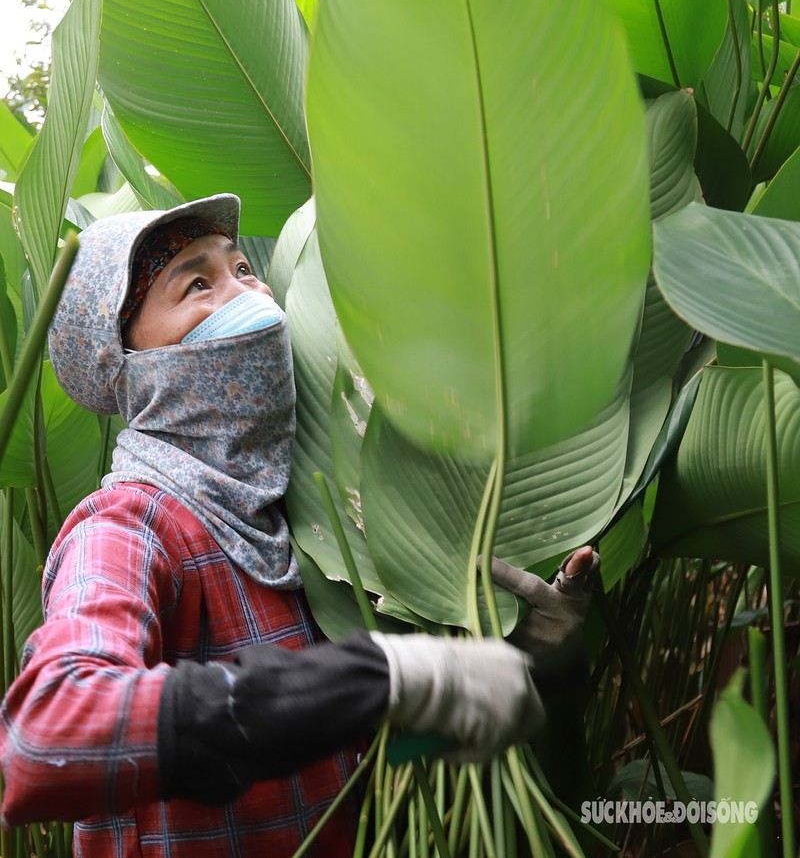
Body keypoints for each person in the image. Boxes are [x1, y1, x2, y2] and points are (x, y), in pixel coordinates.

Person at [0, 194, 597, 857]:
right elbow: (47, 733)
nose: (249, 296)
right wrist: (385, 673)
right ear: (131, 365)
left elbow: (351, 735)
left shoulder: (301, 518)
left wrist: (517, 656)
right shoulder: (125, 524)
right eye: (197, 283)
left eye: (243, 268)